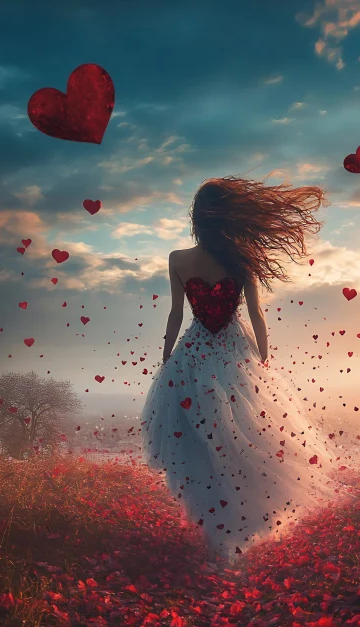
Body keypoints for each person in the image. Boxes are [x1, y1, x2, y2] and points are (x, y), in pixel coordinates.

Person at [141, 174, 336, 562]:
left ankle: (216, 533)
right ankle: (233, 531)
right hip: (233, 351)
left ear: (197, 218)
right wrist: (262, 358)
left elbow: (177, 313)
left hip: (193, 353)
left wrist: (167, 358)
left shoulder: (178, 259)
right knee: (244, 440)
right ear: (229, 217)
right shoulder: (240, 259)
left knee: (200, 441)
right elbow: (256, 314)